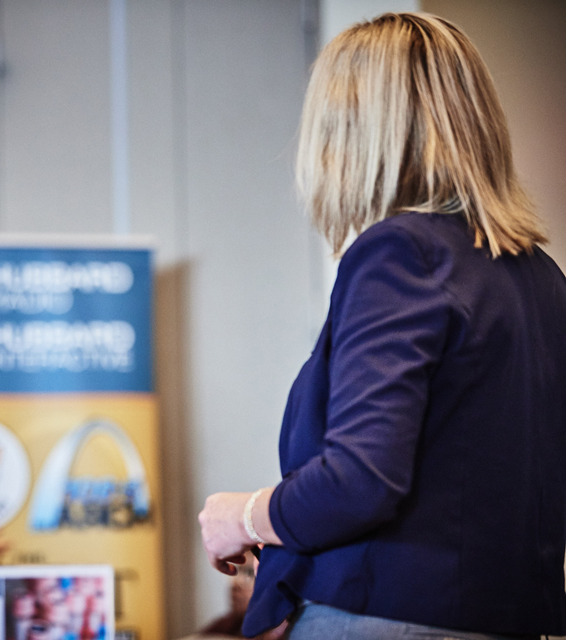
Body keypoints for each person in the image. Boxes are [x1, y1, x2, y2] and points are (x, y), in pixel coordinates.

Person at [198, 12, 566, 640]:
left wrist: (245, 516)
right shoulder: (541, 277)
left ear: (349, 133)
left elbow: (361, 479)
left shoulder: (399, 253)